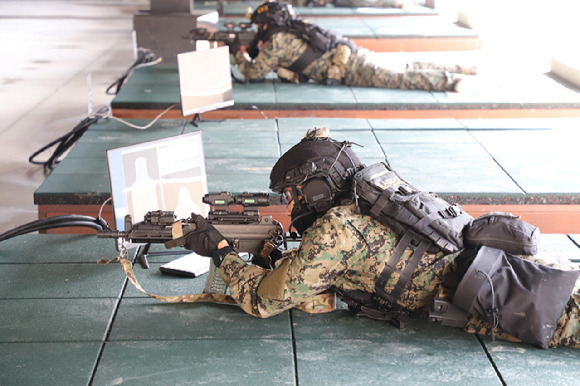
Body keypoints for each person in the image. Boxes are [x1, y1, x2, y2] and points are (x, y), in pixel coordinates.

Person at [184, 127, 580, 349]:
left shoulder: (337, 228)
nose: (294, 205)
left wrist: (219, 251)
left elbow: (263, 300)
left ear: (320, 188)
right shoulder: (375, 189)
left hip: (534, 304)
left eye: (297, 194)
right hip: (532, 270)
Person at [232, 1, 476, 92]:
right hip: (353, 54)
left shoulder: (276, 42)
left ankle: (449, 81)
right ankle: (457, 67)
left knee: (399, 78)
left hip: (350, 69)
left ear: (267, 24)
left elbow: (253, 73)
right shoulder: (294, 28)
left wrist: (235, 54)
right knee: (406, 65)